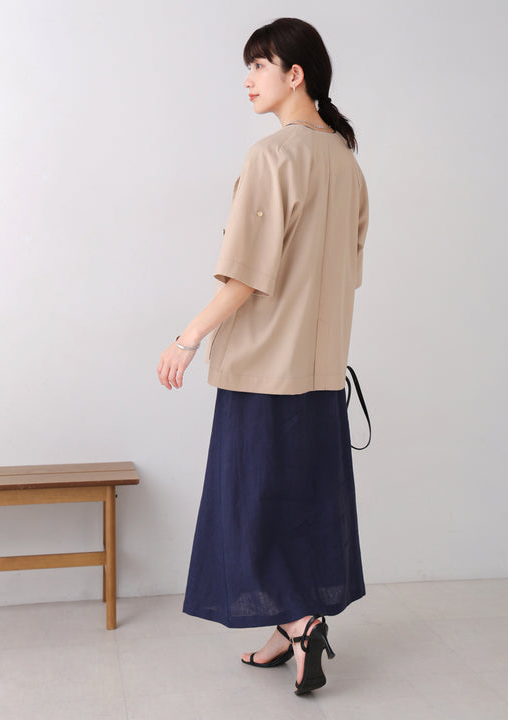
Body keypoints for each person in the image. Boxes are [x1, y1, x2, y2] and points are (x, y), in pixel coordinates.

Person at [156, 17, 369, 696]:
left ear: (294, 74)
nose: (248, 80)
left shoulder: (272, 157)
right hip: (320, 371)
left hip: (263, 369)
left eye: (259, 65)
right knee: (302, 503)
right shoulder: (346, 163)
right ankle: (289, 628)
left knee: (253, 506)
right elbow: (348, 272)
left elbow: (245, 274)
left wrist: (187, 338)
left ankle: (302, 625)